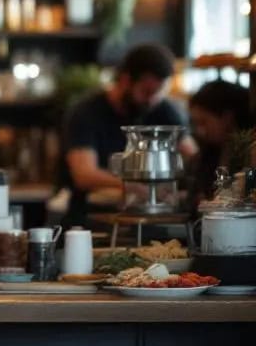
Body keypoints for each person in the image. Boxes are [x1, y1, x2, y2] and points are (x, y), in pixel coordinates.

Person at [60, 43, 196, 226]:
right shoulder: (87, 113)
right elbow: (84, 175)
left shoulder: (163, 109)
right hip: (91, 218)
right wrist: (134, 187)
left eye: (159, 93)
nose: (152, 100)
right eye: (147, 92)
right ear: (125, 80)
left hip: (149, 219)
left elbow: (193, 156)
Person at [187, 79, 254, 207]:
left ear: (227, 118)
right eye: (196, 124)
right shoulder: (208, 153)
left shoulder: (248, 153)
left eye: (204, 122)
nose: (200, 131)